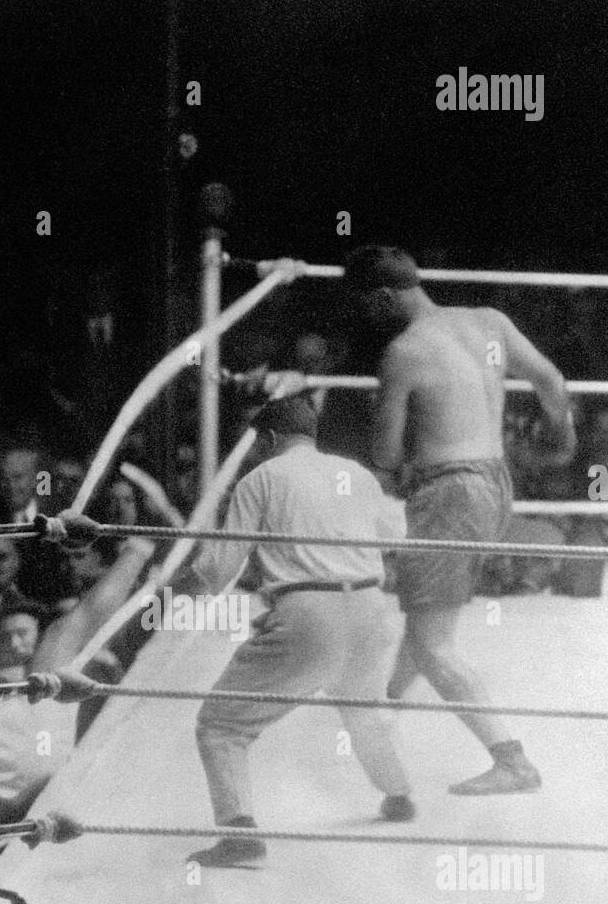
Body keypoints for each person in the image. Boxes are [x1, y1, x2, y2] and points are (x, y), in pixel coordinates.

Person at [345, 244, 575, 795]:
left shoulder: (403, 353)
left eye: (365, 305)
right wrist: (562, 442)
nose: (363, 318)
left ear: (383, 296)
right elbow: (552, 382)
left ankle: (511, 758)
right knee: (428, 618)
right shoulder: (488, 322)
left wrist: (375, 424)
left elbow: (386, 457)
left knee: (433, 643)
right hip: (495, 484)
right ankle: (379, 713)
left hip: (448, 493)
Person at [187, 385, 415, 869]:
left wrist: (189, 572)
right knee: (362, 709)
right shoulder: (356, 474)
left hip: (311, 611)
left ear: (268, 438)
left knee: (221, 725)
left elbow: (219, 570)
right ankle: (398, 794)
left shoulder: (262, 478)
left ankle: (240, 833)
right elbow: (395, 536)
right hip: (373, 609)